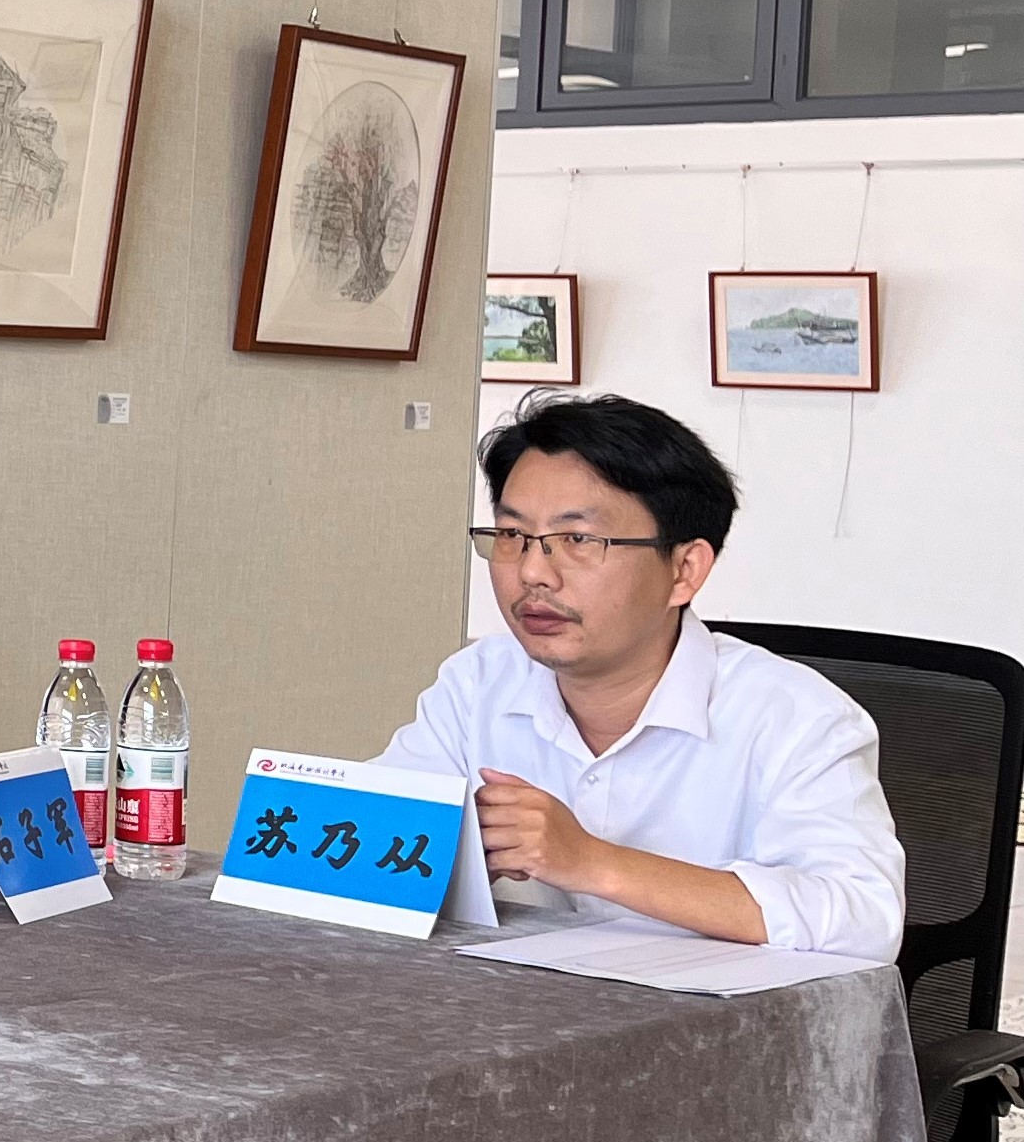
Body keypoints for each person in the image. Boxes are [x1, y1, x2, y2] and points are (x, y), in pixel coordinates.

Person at [382, 390, 900, 958]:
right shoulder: (476, 683)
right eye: (512, 536)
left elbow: (864, 920)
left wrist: (593, 862)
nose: (532, 572)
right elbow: (362, 846)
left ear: (684, 570)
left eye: (577, 540)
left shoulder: (795, 716)